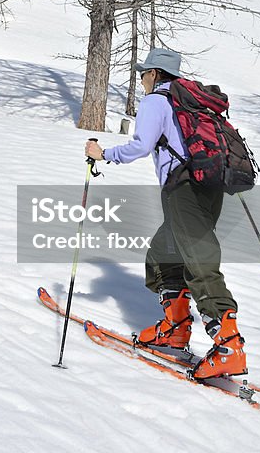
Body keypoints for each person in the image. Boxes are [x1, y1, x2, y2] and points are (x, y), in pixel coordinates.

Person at [84, 48, 246, 380]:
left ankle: (229, 346)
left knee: (199, 260)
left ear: (155, 74)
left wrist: (104, 154)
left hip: (182, 187)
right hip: (210, 185)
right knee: (162, 255)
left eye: (143, 73)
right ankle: (175, 329)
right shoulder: (193, 102)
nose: (141, 79)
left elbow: (141, 146)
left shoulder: (156, 101)